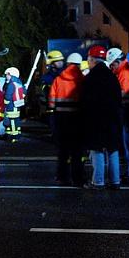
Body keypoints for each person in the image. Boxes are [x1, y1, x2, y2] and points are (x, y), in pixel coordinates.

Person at [81, 45, 123, 189]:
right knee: (113, 149)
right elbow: (119, 98)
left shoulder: (90, 78)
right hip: (113, 119)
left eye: (88, 59)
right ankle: (115, 181)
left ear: (92, 60)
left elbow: (85, 102)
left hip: (96, 119)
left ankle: (98, 181)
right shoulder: (112, 76)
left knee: (97, 149)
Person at [49, 52, 85, 186]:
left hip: (61, 118)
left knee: (63, 150)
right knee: (77, 151)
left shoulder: (58, 79)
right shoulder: (82, 79)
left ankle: (61, 176)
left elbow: (51, 101)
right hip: (77, 118)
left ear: (68, 64)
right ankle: (78, 177)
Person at [109, 48, 129, 185]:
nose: (111, 67)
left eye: (112, 65)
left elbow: (123, 93)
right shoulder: (124, 71)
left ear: (118, 61)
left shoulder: (125, 72)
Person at [3, 67, 25, 143]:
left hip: (11, 105)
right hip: (17, 105)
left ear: (11, 75)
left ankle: (14, 136)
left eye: (7, 74)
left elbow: (8, 95)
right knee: (16, 120)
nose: (6, 76)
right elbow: (24, 92)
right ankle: (14, 134)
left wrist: (4, 102)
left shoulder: (11, 84)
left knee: (12, 121)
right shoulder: (19, 83)